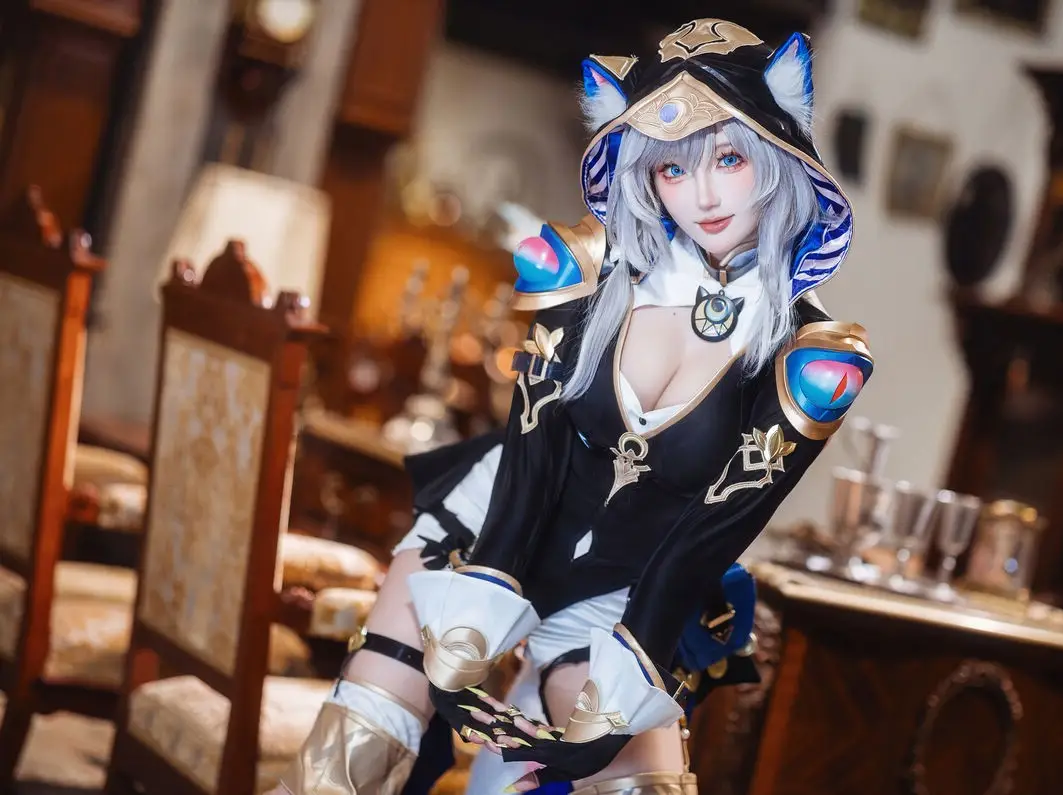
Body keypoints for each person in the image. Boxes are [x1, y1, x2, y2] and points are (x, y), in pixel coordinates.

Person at [273, 17, 872, 795]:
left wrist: (627, 682)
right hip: (495, 521)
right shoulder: (582, 268)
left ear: (779, 158)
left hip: (630, 590)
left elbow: (710, 533)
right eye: (673, 167)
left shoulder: (814, 359)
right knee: (354, 750)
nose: (703, 195)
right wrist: (479, 602)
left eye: (729, 158)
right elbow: (532, 447)